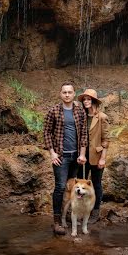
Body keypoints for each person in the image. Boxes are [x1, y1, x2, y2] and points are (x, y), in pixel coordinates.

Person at [43, 82, 86, 235]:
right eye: (64, 92)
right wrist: (52, 153)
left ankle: (67, 216)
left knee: (73, 188)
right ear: (60, 94)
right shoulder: (54, 111)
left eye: (70, 92)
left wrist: (82, 154)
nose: (67, 95)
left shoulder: (79, 111)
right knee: (60, 187)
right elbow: (47, 132)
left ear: (74, 94)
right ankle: (56, 221)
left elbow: (83, 134)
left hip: (75, 157)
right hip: (60, 157)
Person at [77, 88, 109, 223]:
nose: (86, 101)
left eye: (88, 99)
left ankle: (95, 212)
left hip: (96, 156)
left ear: (94, 101)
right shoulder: (81, 116)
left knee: (96, 184)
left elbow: (106, 140)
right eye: (84, 99)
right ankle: (82, 211)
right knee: (81, 185)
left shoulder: (102, 117)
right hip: (82, 156)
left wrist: (103, 158)